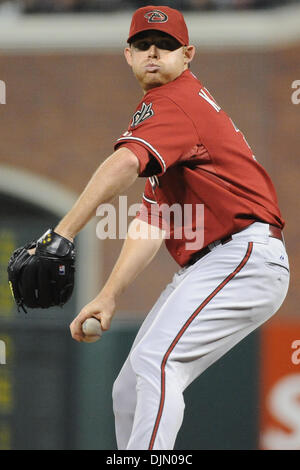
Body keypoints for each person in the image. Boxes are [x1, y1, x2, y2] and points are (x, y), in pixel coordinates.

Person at [54, 5, 289, 450]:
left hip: (242, 256)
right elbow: (154, 219)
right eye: (144, 45)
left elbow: (124, 162)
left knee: (156, 364)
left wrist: (63, 231)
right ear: (128, 54)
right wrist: (109, 295)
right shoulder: (171, 118)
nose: (154, 53)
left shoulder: (173, 101)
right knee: (129, 386)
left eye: (166, 46)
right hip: (221, 263)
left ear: (188, 55)